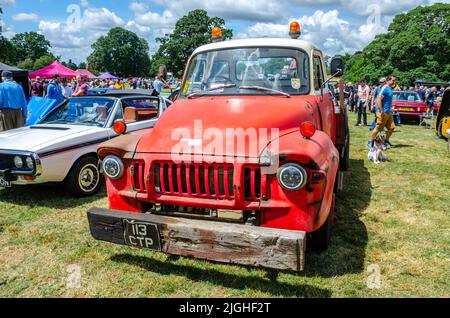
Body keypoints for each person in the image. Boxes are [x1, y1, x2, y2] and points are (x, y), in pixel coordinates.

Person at [369, 75, 397, 149]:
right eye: (393, 80)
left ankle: (385, 141)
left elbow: (387, 100)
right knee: (378, 128)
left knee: (392, 127)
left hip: (389, 112)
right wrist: (381, 111)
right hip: (383, 112)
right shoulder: (384, 88)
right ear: (388, 80)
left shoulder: (389, 88)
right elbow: (379, 100)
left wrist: (391, 108)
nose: (394, 82)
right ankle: (370, 142)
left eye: (395, 80)